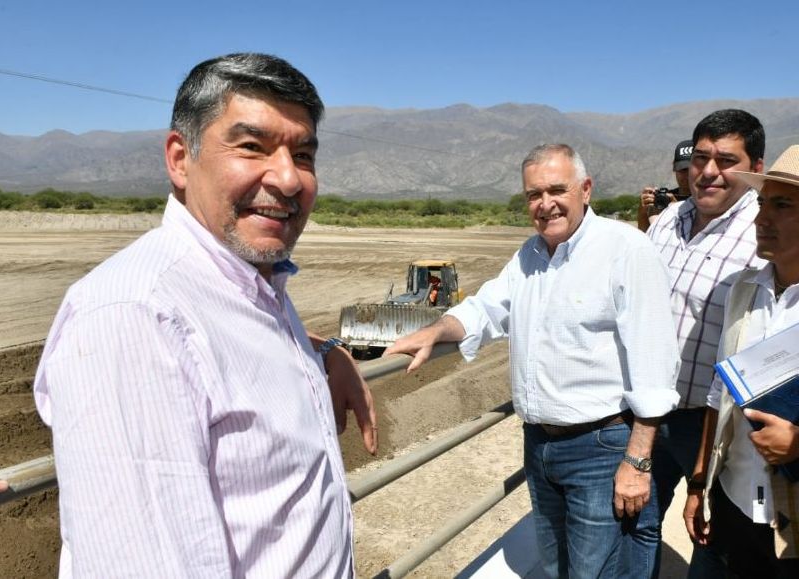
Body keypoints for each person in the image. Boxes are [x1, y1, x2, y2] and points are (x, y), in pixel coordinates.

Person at [33, 53, 376, 578]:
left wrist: (324, 352)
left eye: (303, 155)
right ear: (179, 157)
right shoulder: (136, 317)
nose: (287, 179)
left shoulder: (254, 281)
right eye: (252, 147)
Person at [385, 143, 680, 579]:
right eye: (533, 195)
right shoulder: (530, 254)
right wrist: (436, 330)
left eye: (556, 190)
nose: (545, 204)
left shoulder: (626, 250)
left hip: (600, 449)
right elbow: (485, 309)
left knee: (598, 572)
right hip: (540, 446)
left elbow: (654, 362)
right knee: (557, 566)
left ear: (585, 189)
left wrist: (637, 462)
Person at [646, 109, 766, 576]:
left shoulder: (764, 233)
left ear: (756, 166)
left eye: (726, 160)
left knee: (714, 540)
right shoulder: (668, 220)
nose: (709, 171)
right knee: (633, 522)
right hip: (648, 415)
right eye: (700, 158)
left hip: (717, 427)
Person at [683, 144, 799, 577]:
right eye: (762, 203)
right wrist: (700, 482)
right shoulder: (744, 290)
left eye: (782, 205)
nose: (761, 219)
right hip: (734, 499)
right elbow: (720, 391)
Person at [637, 139, 694, 232]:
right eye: (682, 170)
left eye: (691, 169)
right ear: (674, 167)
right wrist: (643, 212)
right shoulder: (663, 199)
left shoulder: (708, 202)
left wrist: (677, 209)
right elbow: (645, 236)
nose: (687, 175)